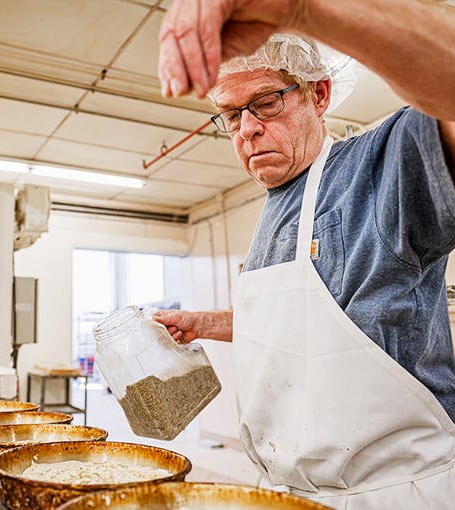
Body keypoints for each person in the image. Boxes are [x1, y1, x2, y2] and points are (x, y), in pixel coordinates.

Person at [153, 1, 455, 509]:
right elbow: (297, 326)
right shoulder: (274, 211)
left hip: (392, 494)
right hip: (286, 492)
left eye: (266, 102)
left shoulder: (381, 168)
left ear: (318, 94)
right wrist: (204, 324)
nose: (247, 128)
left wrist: (300, 9)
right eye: (231, 115)